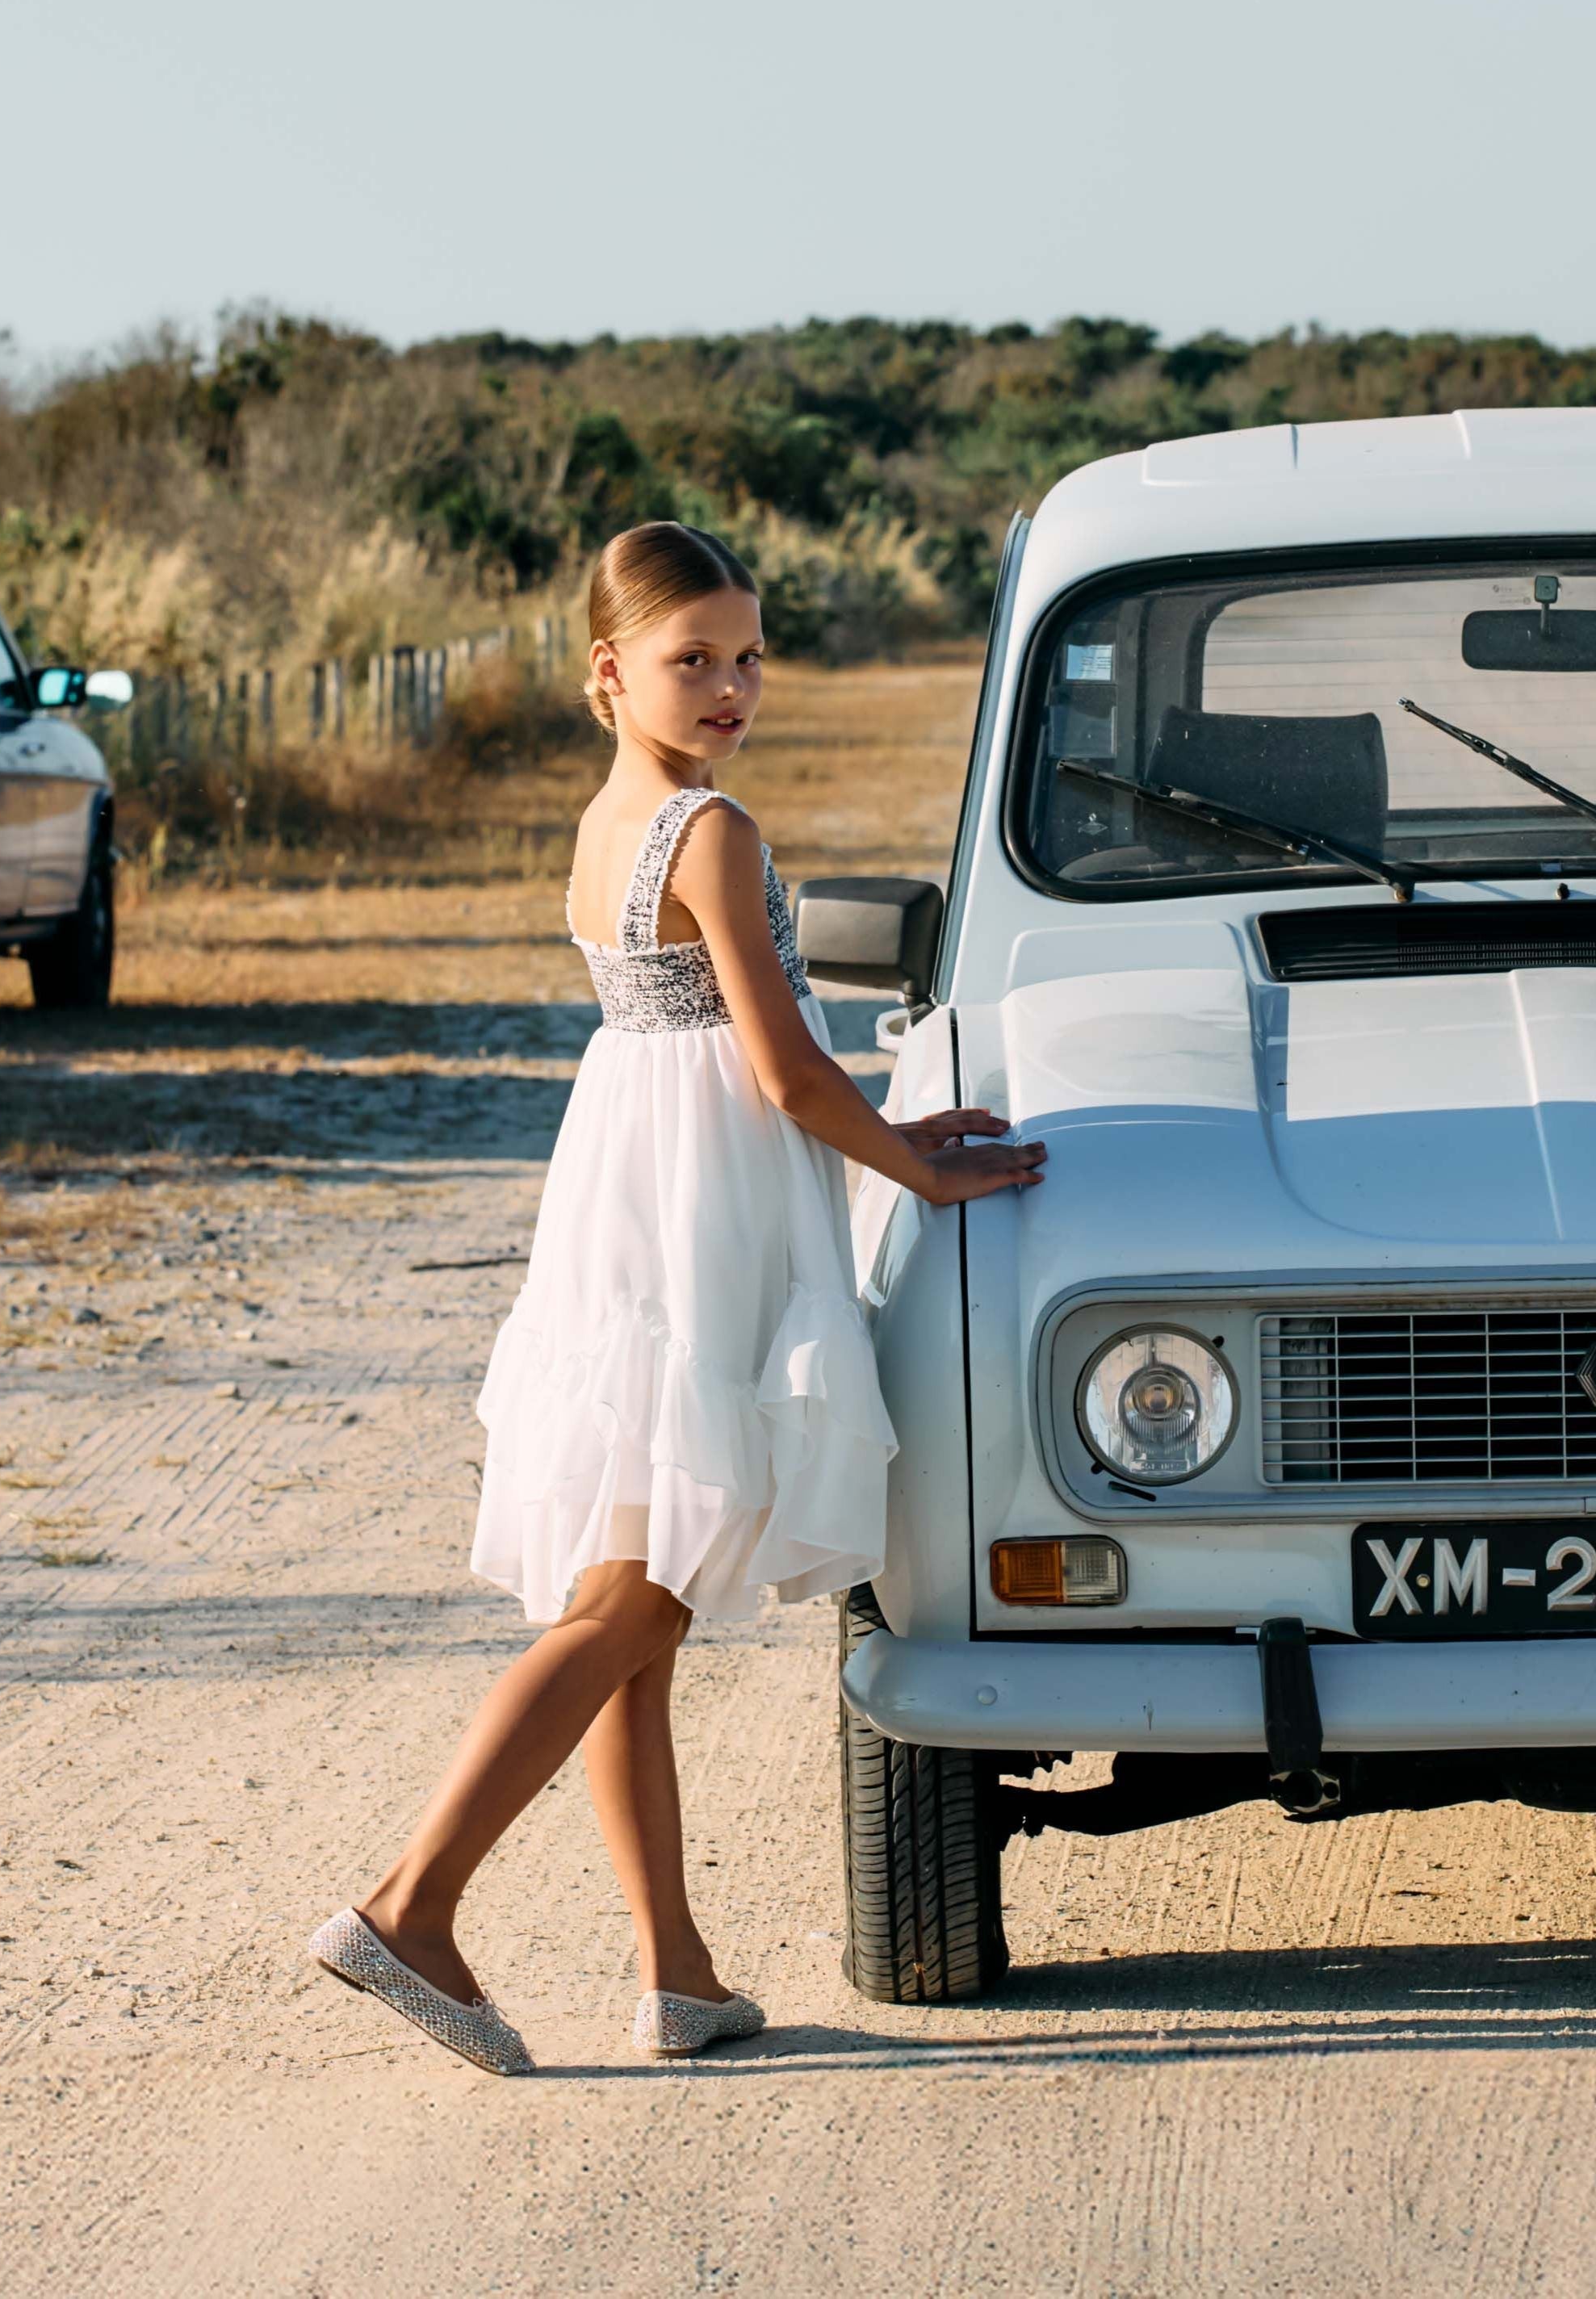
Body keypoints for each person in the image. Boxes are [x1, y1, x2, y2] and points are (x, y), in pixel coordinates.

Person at [310, 520, 1043, 2072]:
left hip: (634, 1190)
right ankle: (410, 1906)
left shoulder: (607, 822)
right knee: (635, 1603)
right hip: (698, 1216)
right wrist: (918, 1173)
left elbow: (733, 1053)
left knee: (634, 1618)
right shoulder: (713, 831)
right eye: (691, 658)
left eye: (748, 657)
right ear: (609, 670)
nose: (729, 688)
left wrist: (896, 1135)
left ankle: (677, 1975)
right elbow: (784, 1073)